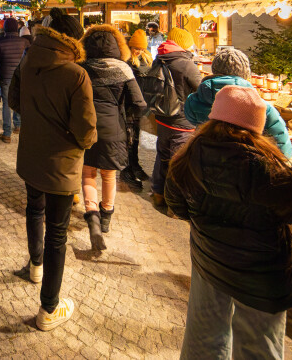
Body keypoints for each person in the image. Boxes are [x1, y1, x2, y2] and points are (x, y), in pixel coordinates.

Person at [166, 85, 292, 359]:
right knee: (258, 347)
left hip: (210, 260)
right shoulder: (270, 170)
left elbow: (178, 207)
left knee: (204, 337)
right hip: (261, 275)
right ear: (256, 126)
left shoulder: (188, 157)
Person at [10, 12, 96, 331]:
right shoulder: (76, 74)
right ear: (72, 40)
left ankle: (35, 266)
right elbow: (86, 130)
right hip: (62, 162)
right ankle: (49, 309)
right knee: (57, 231)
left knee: (34, 209)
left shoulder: (28, 60)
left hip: (32, 153)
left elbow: (14, 101)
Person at [79, 25, 145, 250]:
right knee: (108, 175)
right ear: (118, 46)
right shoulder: (124, 69)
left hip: (85, 127)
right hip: (113, 130)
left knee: (87, 173)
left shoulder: (81, 68)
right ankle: (105, 216)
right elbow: (139, 104)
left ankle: (92, 216)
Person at [184, 47, 292, 157]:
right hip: (246, 167)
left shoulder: (195, 100)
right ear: (245, 75)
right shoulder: (262, 107)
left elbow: (191, 119)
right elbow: (281, 144)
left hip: (206, 162)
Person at [150, 27, 202, 209]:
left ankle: (158, 192)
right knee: (178, 161)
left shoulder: (159, 59)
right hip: (182, 120)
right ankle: (174, 202)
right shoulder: (187, 65)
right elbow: (201, 90)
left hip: (162, 116)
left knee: (162, 154)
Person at [123, 29, 153, 185]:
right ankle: (128, 167)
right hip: (129, 105)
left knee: (135, 137)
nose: (138, 51)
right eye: (136, 48)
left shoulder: (147, 60)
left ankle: (134, 165)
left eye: (141, 48)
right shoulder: (127, 60)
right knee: (129, 137)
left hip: (140, 105)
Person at [0, 18, 29, 143]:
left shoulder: (0, 42)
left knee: (6, 103)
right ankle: (18, 125)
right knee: (18, 99)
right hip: (20, 76)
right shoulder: (24, 42)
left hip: (5, 75)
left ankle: (7, 133)